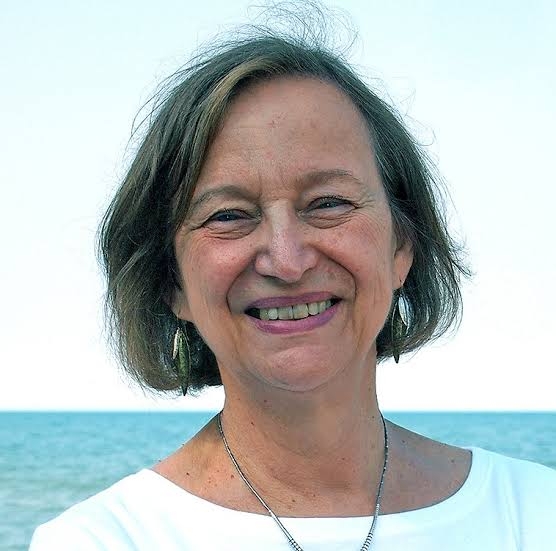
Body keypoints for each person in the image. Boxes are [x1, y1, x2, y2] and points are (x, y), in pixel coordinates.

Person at [30, 14, 556, 551]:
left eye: (328, 203)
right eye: (229, 215)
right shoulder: (103, 540)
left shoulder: (537, 514)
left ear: (402, 245)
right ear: (171, 281)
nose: (287, 261)